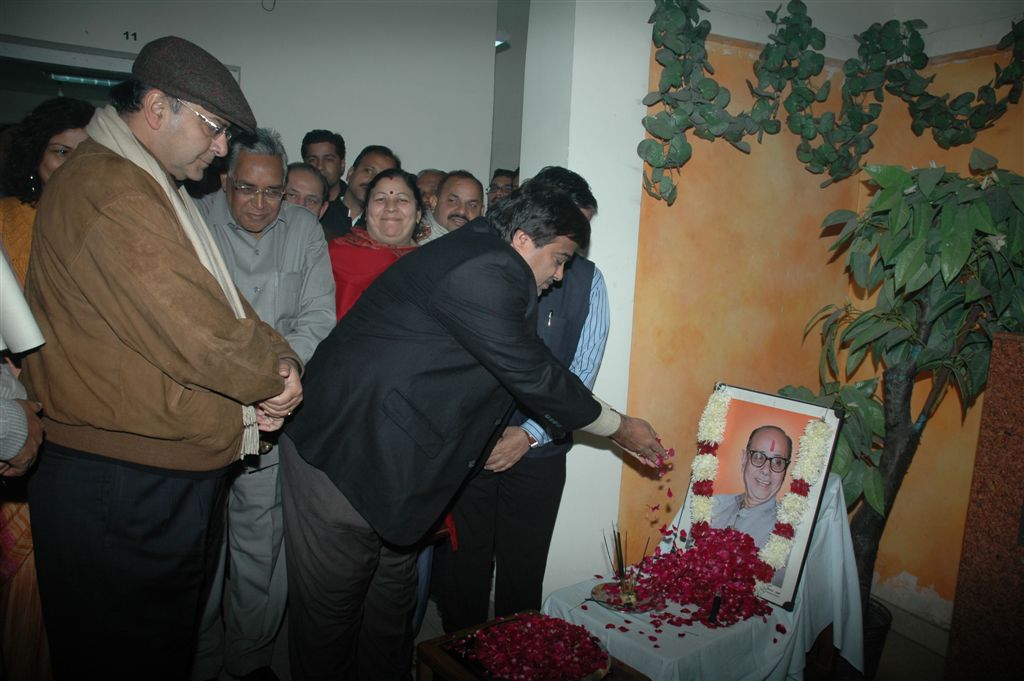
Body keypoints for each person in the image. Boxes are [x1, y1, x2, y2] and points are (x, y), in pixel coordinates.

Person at [279, 181, 667, 681]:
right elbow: (533, 373)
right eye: (560, 258)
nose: (559, 274)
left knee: (389, 614)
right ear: (525, 239)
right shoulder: (487, 267)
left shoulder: (484, 250)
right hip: (345, 456)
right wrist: (619, 428)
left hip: (400, 468)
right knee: (331, 619)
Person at [21, 36, 303, 680]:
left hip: (146, 474)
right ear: (156, 108)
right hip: (121, 481)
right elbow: (197, 331)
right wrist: (272, 377)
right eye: (214, 128)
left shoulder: (147, 181)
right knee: (128, 655)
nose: (222, 148)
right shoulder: (111, 188)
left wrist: (283, 362)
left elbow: (227, 305)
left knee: (157, 648)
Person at [434, 166, 609, 632]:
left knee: (523, 572)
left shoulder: (590, 282)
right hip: (473, 443)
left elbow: (579, 376)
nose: (569, 251)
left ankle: (518, 656)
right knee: (463, 567)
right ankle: (459, 655)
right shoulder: (484, 263)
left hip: (542, 450)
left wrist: (529, 435)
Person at [192, 129, 335, 681]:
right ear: (225, 181)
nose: (259, 204)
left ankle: (248, 661)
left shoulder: (302, 229)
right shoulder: (191, 217)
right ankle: (200, 660)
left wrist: (283, 373)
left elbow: (319, 317)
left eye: (273, 192)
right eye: (247, 189)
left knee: (259, 546)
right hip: (202, 414)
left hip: (273, 416)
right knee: (200, 551)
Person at [0, 95, 93, 681]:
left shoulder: (105, 224)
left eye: (86, 156)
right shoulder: (8, 217)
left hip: (79, 405)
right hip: (11, 400)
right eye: (62, 153)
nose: (73, 166)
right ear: (37, 158)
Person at [328, 167, 422, 319]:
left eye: (402, 200)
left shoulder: (431, 265)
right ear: (366, 212)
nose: (390, 208)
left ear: (418, 213)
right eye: (380, 199)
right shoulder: (335, 255)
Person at [712, 425, 792, 548]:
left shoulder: (786, 532)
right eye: (759, 457)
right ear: (744, 459)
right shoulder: (715, 506)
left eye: (777, 462)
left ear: (785, 471)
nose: (766, 470)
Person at [300, 129, 348, 239]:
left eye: (328, 159)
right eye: (312, 159)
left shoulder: (354, 205)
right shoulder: (293, 202)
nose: (320, 166)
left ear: (342, 165)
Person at [418, 170, 483, 244]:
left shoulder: (487, 247)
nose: (462, 211)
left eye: (472, 205)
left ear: (481, 211)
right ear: (434, 203)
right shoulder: (412, 242)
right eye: (452, 201)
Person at [340, 144, 400, 224]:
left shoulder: (384, 228)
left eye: (382, 177)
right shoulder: (321, 213)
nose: (373, 180)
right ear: (350, 173)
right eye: (368, 171)